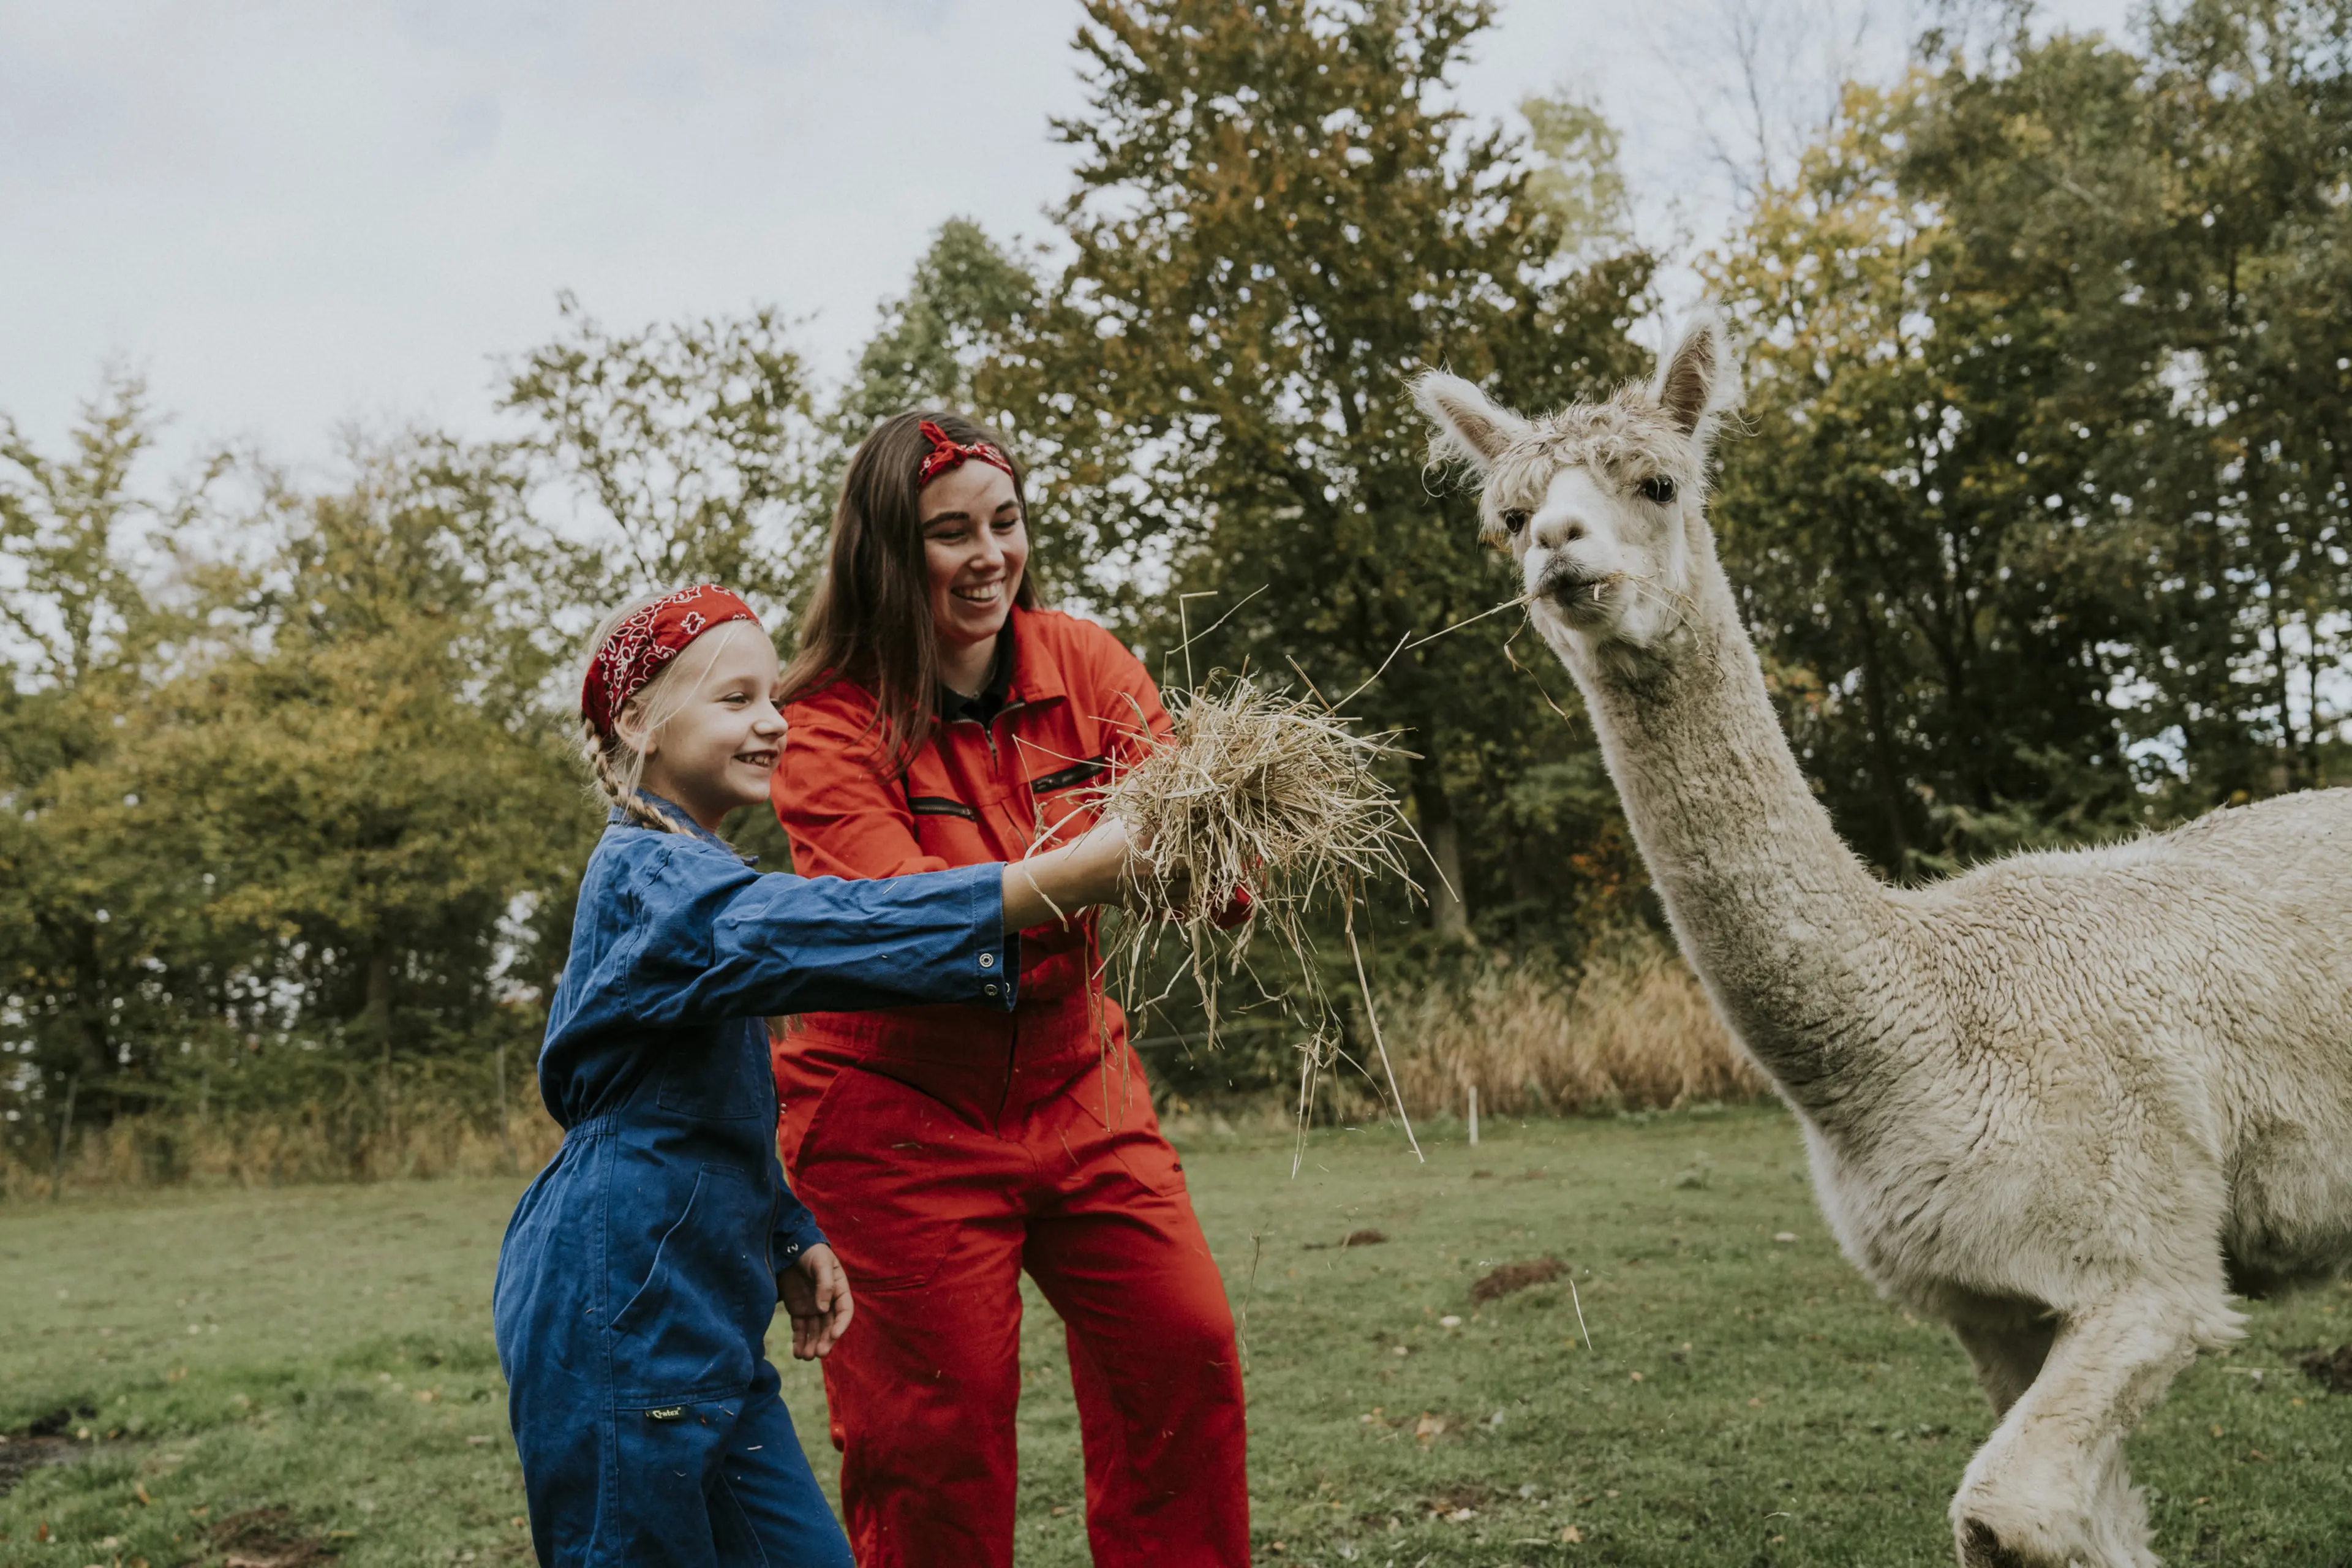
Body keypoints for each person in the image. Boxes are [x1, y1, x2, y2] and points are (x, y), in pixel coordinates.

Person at [492, 582, 1136, 1567]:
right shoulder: (647, 876)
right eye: (735, 699)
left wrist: (784, 1230)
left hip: (707, 1316)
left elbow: (705, 1099)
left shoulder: (695, 870)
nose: (772, 723)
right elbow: (815, 930)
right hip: (618, 1310)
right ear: (637, 721)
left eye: (774, 698)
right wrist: (1055, 881)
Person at [769, 414, 1250, 1566]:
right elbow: (902, 925)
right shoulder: (826, 719)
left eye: (1006, 522)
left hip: (1081, 1082)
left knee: (1184, 1352)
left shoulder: (1085, 665)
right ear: (888, 551)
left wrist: (1221, 855)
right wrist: (1090, 868)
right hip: (896, 1115)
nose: (989, 555)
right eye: (950, 533)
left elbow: (1201, 865)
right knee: (937, 1440)